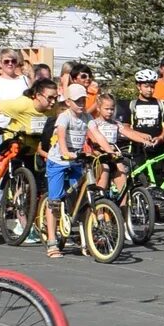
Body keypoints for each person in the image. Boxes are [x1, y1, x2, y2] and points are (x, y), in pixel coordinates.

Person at [40, 83, 91, 257]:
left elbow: (97, 134)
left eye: (83, 100)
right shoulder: (64, 117)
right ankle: (52, 241)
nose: (81, 104)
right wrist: (65, 152)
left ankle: (87, 239)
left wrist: (109, 150)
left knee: (81, 200)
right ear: (68, 102)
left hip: (75, 162)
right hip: (58, 161)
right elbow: (61, 136)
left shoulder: (87, 117)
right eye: (77, 101)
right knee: (55, 202)